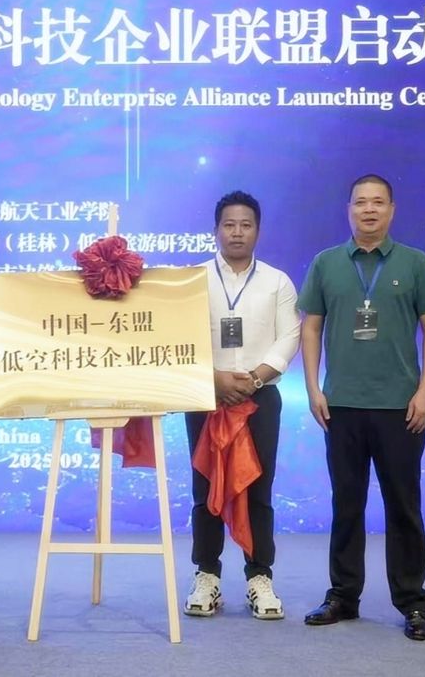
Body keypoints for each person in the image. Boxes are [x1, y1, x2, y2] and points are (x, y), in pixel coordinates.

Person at [297, 174, 425, 641]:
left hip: (401, 407)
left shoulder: (415, 262)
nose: (369, 209)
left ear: (392, 210)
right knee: (346, 504)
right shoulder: (326, 263)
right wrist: (312, 388)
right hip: (340, 405)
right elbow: (310, 327)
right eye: (360, 202)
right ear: (349, 210)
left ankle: (413, 602)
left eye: (378, 202)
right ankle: (343, 596)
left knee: (403, 506)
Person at [183, 190, 301, 620]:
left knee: (258, 487)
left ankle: (259, 576)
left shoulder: (277, 281)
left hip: (259, 398)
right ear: (216, 230)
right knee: (206, 489)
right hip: (205, 396)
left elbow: (289, 337)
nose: (237, 232)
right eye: (229, 224)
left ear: (258, 231)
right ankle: (206, 575)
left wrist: (253, 379)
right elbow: (182, 337)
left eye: (245, 225)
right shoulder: (192, 280)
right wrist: (215, 379)